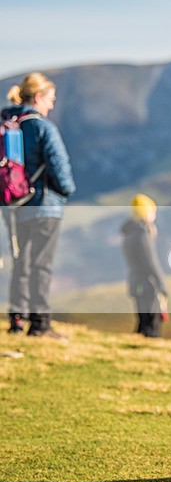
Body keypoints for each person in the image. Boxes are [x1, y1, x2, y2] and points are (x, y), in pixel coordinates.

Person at [2, 72, 76, 339]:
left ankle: (17, 319)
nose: (52, 105)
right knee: (41, 264)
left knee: (22, 261)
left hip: (15, 204)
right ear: (38, 97)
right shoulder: (43, 128)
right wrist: (66, 191)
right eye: (50, 99)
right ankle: (40, 324)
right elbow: (60, 168)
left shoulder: (9, 123)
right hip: (44, 204)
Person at [121, 194, 168, 338]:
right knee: (152, 323)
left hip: (136, 282)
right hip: (148, 284)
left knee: (143, 320)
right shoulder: (143, 235)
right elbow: (151, 262)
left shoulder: (129, 233)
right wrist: (162, 286)